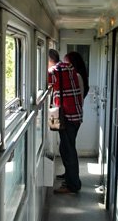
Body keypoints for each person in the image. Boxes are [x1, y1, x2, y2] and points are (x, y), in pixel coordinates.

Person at [48, 49, 83, 194]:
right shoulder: (69, 67)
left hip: (67, 117)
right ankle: (70, 178)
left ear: (49, 60)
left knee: (68, 151)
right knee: (67, 148)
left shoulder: (53, 72)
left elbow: (45, 83)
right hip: (76, 116)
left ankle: (73, 185)